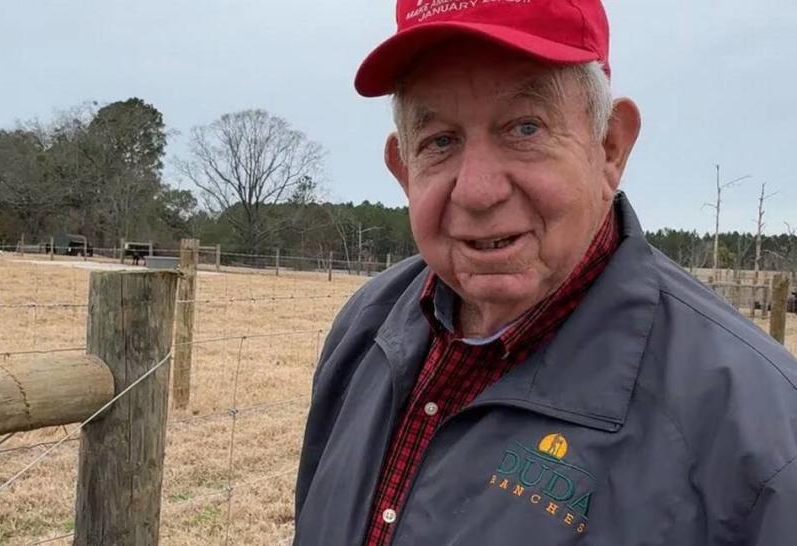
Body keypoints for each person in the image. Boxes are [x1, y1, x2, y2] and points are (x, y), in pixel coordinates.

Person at [293, 1, 797, 544]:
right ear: (403, 169)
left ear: (610, 147)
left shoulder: (758, 435)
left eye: (524, 128)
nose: (479, 190)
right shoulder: (367, 330)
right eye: (440, 141)